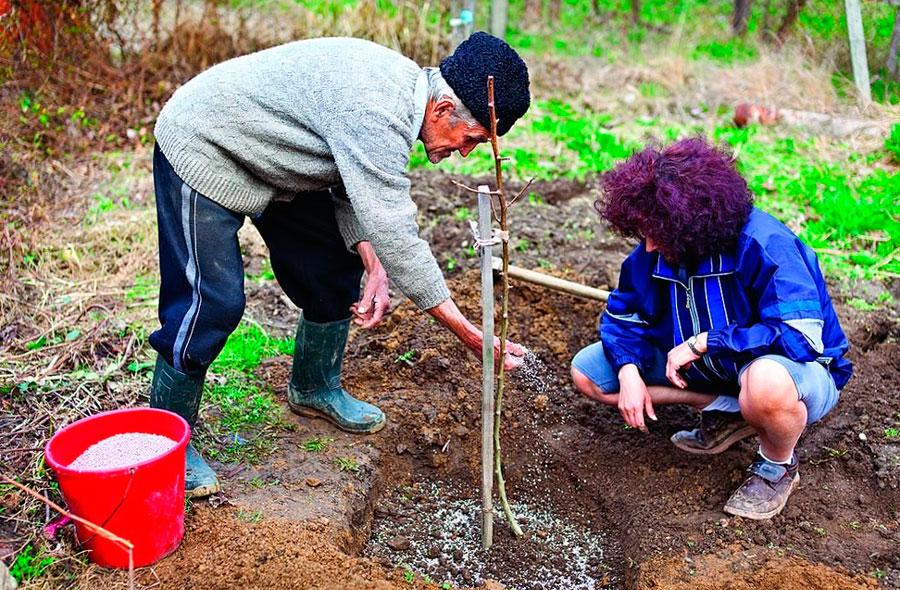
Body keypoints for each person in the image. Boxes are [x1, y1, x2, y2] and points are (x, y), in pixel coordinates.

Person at [148, 33, 530, 497]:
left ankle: (313, 388)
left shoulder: (402, 102)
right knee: (210, 303)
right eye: (469, 139)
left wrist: (374, 264)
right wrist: (472, 334)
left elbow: (354, 186)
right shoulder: (375, 109)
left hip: (279, 156)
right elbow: (396, 232)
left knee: (331, 271)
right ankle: (166, 441)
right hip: (207, 145)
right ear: (443, 110)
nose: (466, 151)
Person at [570, 138, 852, 520]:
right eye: (643, 233)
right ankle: (729, 413)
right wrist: (629, 370)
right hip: (717, 374)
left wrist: (708, 342)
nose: (649, 246)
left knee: (766, 383)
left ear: (690, 222)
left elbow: (799, 337)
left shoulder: (765, 244)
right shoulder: (656, 253)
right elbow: (622, 315)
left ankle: (776, 466)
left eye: (657, 233)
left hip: (796, 376)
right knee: (590, 373)